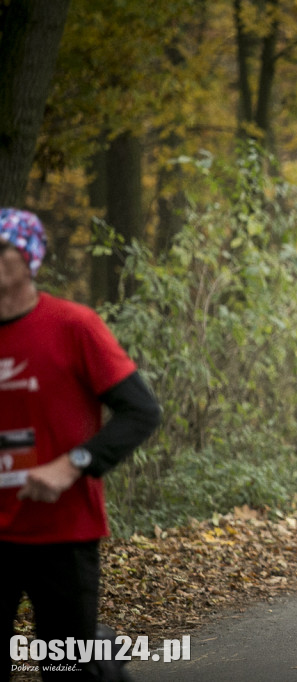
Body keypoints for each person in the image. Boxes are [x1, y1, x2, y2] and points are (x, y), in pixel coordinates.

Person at [0, 209, 162, 681]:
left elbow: (141, 412)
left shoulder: (74, 326)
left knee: (68, 667)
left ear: (27, 258)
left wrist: (71, 465)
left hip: (63, 532)